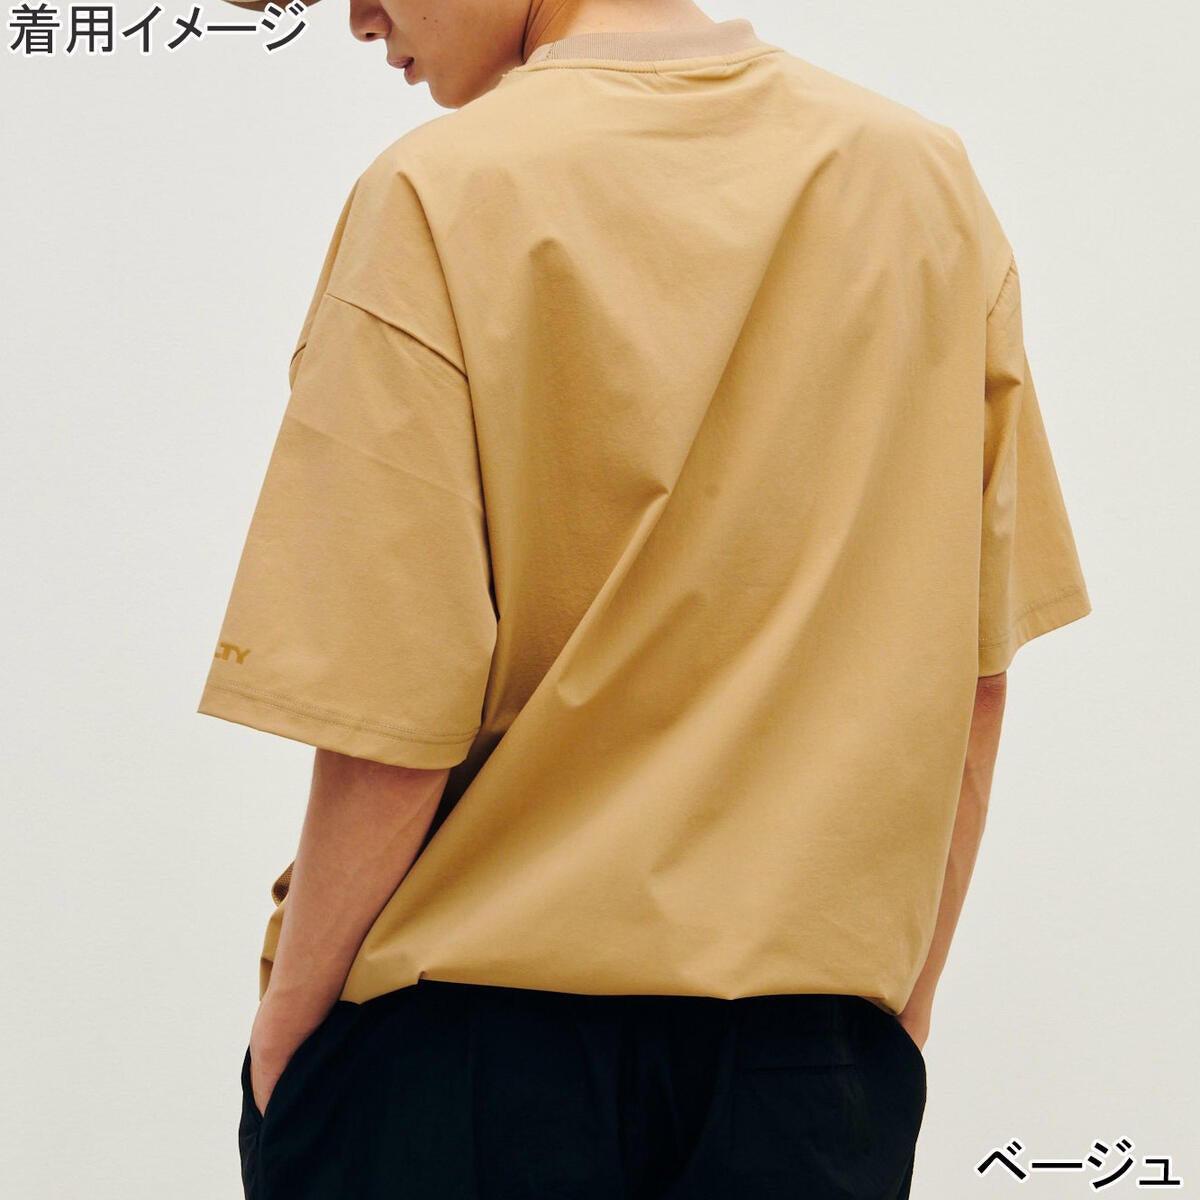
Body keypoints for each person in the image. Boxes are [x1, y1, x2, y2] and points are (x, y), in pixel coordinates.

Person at [198, 1, 1093, 1197]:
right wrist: (887, 1022)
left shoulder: (439, 195)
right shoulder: (922, 181)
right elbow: (972, 675)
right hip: (808, 1074)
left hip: (469, 1069)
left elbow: (388, 721)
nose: (357, 18)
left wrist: (287, 1040)